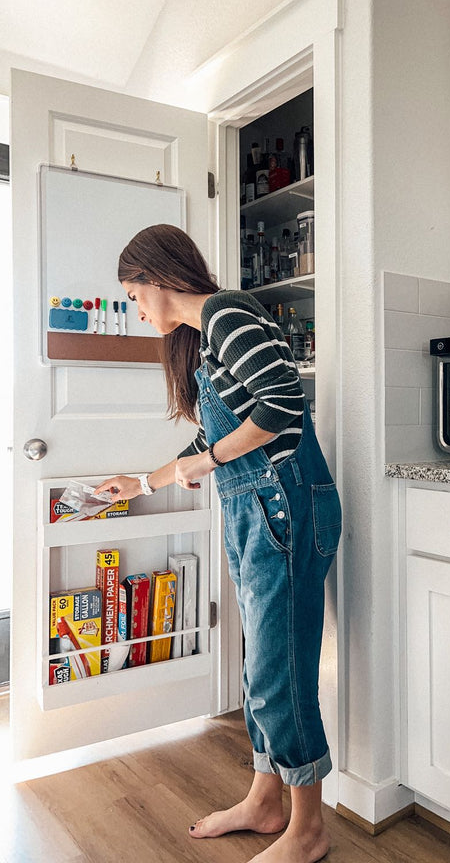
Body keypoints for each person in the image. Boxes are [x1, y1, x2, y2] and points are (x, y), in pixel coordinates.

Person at [94, 224, 341, 863]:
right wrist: (141, 483)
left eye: (131, 294)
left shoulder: (228, 314)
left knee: (277, 670)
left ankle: (308, 827)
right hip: (256, 509)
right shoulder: (204, 343)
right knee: (261, 663)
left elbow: (281, 407)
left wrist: (205, 460)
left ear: (156, 275)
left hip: (283, 505)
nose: (135, 309)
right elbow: (214, 443)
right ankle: (265, 800)